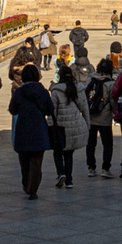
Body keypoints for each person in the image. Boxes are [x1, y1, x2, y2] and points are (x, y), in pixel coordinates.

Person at [8, 64, 55, 199]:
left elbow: (12, 110)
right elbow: (50, 110)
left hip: (23, 128)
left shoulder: (19, 92)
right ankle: (33, 189)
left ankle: (26, 183)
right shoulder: (43, 92)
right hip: (39, 129)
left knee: (24, 160)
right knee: (36, 161)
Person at [49, 59, 89, 188]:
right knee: (69, 154)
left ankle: (61, 173)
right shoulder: (78, 90)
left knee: (57, 152)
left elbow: (52, 112)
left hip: (61, 127)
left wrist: (50, 126)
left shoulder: (56, 92)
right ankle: (69, 180)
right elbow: (85, 109)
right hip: (75, 126)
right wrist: (87, 125)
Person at [86, 57, 116, 178]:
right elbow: (113, 101)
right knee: (107, 144)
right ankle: (105, 168)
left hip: (91, 117)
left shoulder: (90, 80)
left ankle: (91, 168)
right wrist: (115, 113)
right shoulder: (110, 83)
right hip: (104, 118)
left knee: (90, 144)